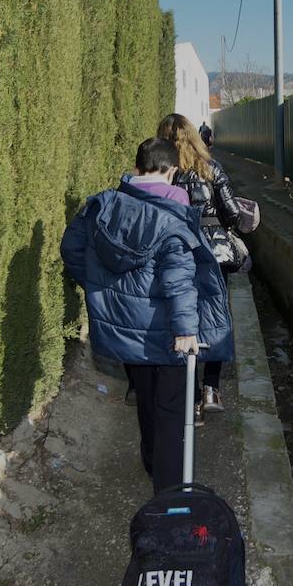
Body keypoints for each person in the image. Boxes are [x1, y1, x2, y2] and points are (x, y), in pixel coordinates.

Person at [60, 137, 234, 492]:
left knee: (146, 401)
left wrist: (102, 290)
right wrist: (186, 331)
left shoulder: (103, 205)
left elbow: (71, 248)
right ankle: (169, 491)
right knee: (172, 410)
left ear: (136, 168)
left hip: (128, 331)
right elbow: (179, 281)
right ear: (171, 172)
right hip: (168, 330)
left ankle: (153, 463)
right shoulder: (173, 217)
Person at [157, 112, 243, 419]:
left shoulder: (164, 174)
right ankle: (211, 389)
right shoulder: (211, 168)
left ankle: (192, 400)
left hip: (179, 253)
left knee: (184, 321)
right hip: (214, 254)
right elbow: (232, 213)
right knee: (216, 316)